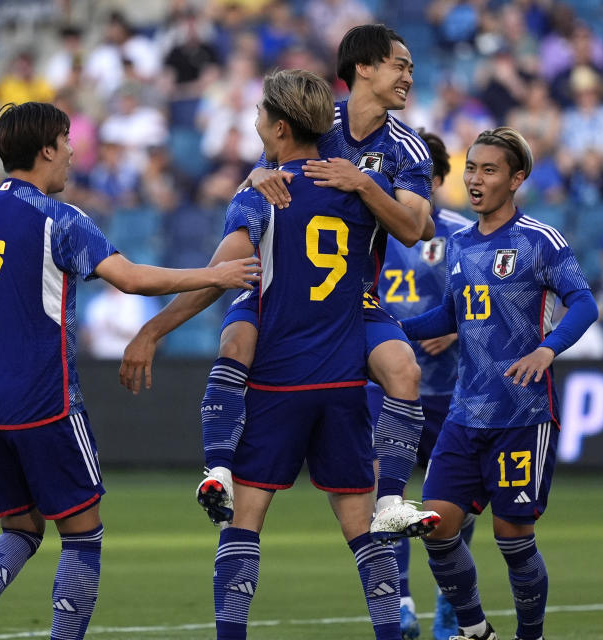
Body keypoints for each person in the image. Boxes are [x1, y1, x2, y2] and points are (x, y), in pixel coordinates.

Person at [0, 101, 260, 640]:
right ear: (46, 149)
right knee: (82, 537)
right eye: (66, 140)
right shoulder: (59, 219)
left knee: (22, 527)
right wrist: (213, 273)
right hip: (45, 403)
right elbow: (127, 277)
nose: (74, 151)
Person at [121, 24, 439, 543]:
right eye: (400, 65)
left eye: (410, 69)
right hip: (285, 292)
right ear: (365, 67)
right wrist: (255, 177)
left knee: (403, 370)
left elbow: (415, 229)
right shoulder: (315, 120)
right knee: (236, 337)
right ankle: (219, 468)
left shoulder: (409, 149)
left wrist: (362, 183)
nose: (408, 77)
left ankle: (391, 502)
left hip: (354, 300)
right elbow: (262, 176)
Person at [190, 68, 401, 640]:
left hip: (277, 381)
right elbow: (410, 225)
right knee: (363, 529)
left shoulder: (261, 194)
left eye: (260, 112)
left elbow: (218, 274)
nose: (255, 118)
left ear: (279, 127)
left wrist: (155, 328)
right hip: (340, 380)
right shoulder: (353, 189)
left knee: (244, 523)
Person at [400, 127, 598, 640]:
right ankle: (474, 629)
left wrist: (547, 347)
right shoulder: (459, 244)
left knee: (513, 541)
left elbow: (585, 303)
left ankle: (530, 636)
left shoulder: (540, 240)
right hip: (466, 414)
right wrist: (392, 328)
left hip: (521, 415)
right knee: (436, 527)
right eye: (471, 168)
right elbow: (450, 313)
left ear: (516, 179)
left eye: (489, 170)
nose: (475, 179)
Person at [367, 130, 473, 640]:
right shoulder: (370, 229)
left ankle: (450, 607)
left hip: (452, 388)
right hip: (386, 384)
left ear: (431, 181)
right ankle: (402, 603)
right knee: (389, 496)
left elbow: (492, 304)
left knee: (452, 503)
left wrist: (454, 325)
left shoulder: (460, 236)